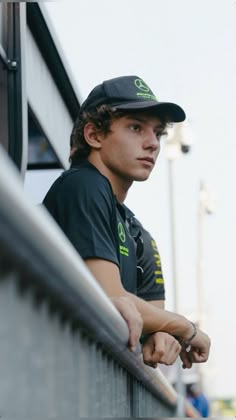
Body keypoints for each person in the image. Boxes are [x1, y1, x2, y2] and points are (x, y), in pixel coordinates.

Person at [43, 75, 210, 369]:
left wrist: (164, 331)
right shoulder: (83, 185)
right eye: (135, 127)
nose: (152, 144)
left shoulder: (139, 234)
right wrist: (183, 327)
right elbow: (108, 299)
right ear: (94, 135)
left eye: (157, 133)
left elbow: (153, 326)